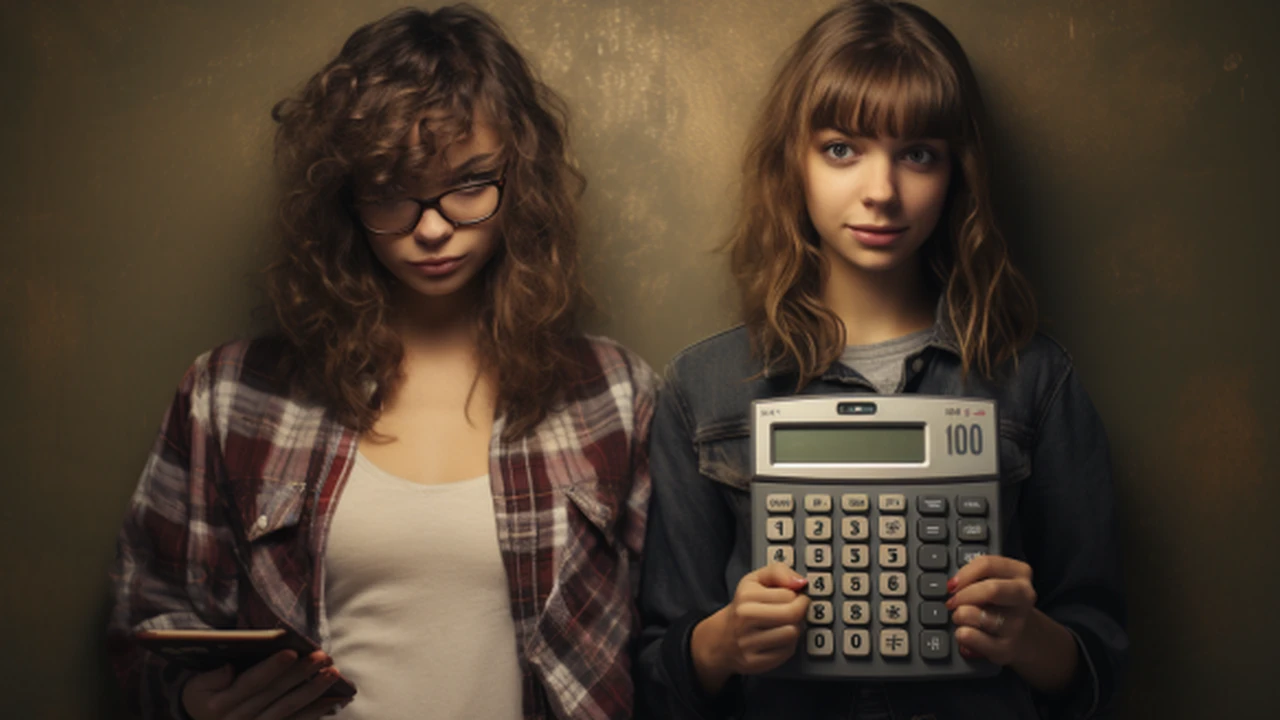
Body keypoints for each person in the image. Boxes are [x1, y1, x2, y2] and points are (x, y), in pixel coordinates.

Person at [107, 6, 656, 719]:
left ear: (520, 179)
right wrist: (191, 701)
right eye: (393, 191)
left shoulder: (614, 395)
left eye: (468, 183)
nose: (431, 228)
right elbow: (141, 614)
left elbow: (664, 651)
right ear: (347, 196)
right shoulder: (229, 394)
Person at [634, 1, 1126, 718]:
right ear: (793, 160)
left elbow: (1100, 664)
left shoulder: (1036, 382)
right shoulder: (703, 390)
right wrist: (723, 642)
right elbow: (655, 678)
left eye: (918, 153)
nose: (881, 192)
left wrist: (1031, 638)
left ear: (957, 170)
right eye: (842, 148)